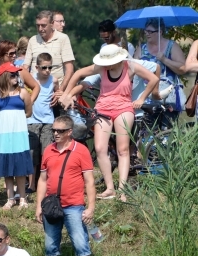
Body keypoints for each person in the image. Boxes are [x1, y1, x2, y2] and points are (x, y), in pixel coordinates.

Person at [61, 45, 158, 202]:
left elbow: (154, 78)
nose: (107, 65)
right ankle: (110, 188)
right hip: (103, 108)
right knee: (100, 148)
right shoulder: (101, 68)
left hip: (124, 107)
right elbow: (78, 73)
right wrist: (67, 94)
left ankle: (122, 190)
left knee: (123, 149)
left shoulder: (130, 66)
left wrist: (141, 98)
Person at [34, 115, 96, 256]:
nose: (56, 133)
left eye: (60, 131)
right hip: (51, 205)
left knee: (81, 244)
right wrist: (39, 206)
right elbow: (42, 180)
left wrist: (91, 208)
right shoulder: (48, 150)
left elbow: (89, 181)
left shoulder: (81, 150)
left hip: (74, 205)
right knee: (50, 246)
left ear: (69, 131)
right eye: (54, 130)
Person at [0, 40, 40, 201]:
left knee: (18, 157)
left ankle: (21, 193)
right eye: (11, 54)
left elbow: (35, 88)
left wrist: (25, 105)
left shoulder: (20, 78)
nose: (14, 56)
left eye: (15, 53)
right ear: (0, 55)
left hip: (16, 123)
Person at [0, 63, 33, 210]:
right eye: (12, 74)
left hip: (18, 133)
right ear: (4, 77)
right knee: (6, 167)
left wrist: (15, 119)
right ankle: (10, 198)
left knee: (20, 167)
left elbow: (29, 112)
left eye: (16, 74)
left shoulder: (23, 92)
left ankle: (22, 198)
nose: (16, 76)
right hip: (2, 134)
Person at [134, 18, 187, 128]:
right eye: (146, 31)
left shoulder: (171, 46)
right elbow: (133, 69)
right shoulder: (141, 48)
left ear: (160, 32)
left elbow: (182, 69)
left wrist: (164, 59)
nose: (147, 34)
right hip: (145, 95)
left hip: (168, 96)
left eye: (150, 31)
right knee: (146, 130)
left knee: (166, 129)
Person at [23, 10, 75, 91]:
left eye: (43, 25)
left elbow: (69, 69)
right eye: (38, 25)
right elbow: (25, 67)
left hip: (55, 90)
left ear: (52, 23)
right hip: (35, 91)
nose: (40, 29)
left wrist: (60, 91)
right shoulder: (33, 40)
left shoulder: (63, 38)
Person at [27, 53, 57, 192]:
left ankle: (47, 184)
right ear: (37, 67)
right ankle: (31, 184)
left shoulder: (53, 80)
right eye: (44, 67)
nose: (47, 70)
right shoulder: (31, 79)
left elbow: (58, 92)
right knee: (32, 152)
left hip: (48, 121)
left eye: (50, 67)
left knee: (47, 153)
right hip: (32, 120)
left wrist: (58, 96)